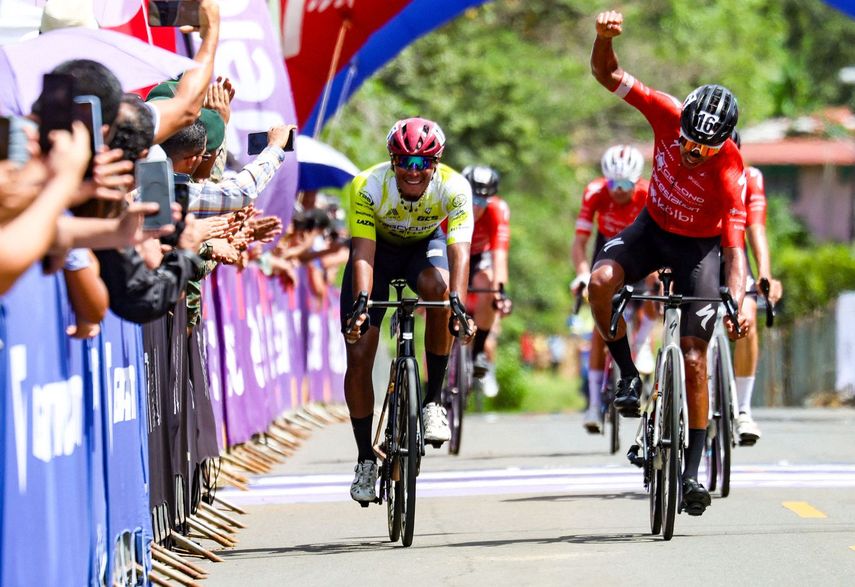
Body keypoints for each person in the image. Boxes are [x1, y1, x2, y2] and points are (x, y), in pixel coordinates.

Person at [590, 10, 749, 516]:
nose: (692, 152)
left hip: (698, 249)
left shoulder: (729, 173)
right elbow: (607, 75)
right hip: (650, 230)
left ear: (723, 143)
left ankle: (691, 473)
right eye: (687, 141)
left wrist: (739, 300)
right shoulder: (663, 110)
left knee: (696, 356)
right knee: (601, 280)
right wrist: (602, 38)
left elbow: (735, 248)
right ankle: (628, 377)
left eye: (705, 147)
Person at [340, 117, 474, 504]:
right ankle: (366, 458)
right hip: (377, 256)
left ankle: (432, 401)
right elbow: (363, 251)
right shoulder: (368, 184)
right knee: (360, 352)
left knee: (439, 290)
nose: (414, 172)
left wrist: (458, 305)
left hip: (422, 249)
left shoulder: (454, 187)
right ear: (392, 160)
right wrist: (362, 304)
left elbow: (459, 250)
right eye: (405, 162)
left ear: (436, 164)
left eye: (423, 163)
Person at [571, 145, 654, 432]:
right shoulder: (594, 192)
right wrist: (582, 274)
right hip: (607, 249)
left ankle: (642, 341)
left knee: (654, 288)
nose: (618, 190)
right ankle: (594, 405)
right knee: (599, 328)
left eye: (625, 184)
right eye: (613, 184)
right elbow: (580, 241)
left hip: (640, 249)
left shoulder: (647, 193)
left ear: (637, 181)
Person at [730, 130, 783, 445]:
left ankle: (743, 409)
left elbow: (756, 228)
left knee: (747, 317)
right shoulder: (690, 175)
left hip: (734, 257)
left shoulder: (751, 178)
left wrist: (765, 273)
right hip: (699, 255)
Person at [456, 165, 512, 397]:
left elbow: (500, 255)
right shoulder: (450, 201)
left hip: (479, 256)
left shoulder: (498, 210)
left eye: (483, 202)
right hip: (452, 250)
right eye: (472, 201)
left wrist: (500, 293)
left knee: (489, 285)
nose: (476, 208)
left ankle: (479, 351)